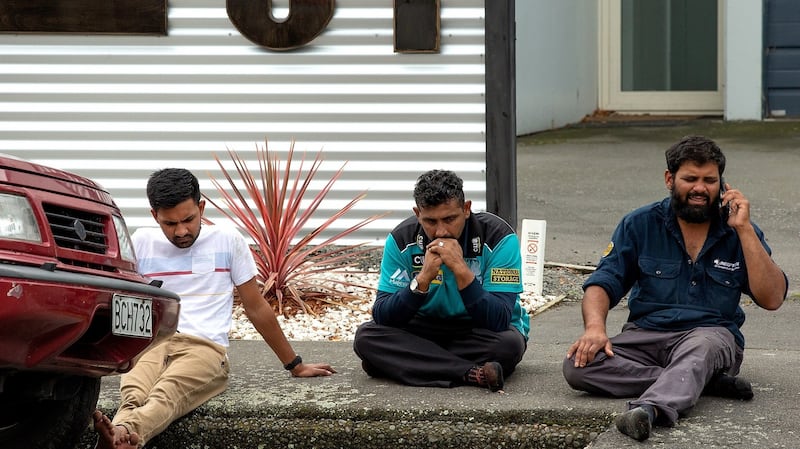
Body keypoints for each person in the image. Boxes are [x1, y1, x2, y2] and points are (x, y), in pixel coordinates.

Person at [562, 135, 788, 441]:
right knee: (578, 366)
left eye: (710, 180)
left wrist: (745, 230)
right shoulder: (639, 224)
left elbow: (772, 298)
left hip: (711, 336)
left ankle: (651, 409)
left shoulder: (739, 229)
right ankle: (701, 382)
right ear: (670, 179)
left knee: (701, 348)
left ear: (723, 185)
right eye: (690, 179)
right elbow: (603, 283)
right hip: (646, 336)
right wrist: (594, 329)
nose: (700, 188)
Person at [93, 168, 336, 449]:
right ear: (154, 216)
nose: (181, 231)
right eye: (170, 224)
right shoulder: (142, 242)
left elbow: (256, 307)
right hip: (153, 344)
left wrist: (295, 365)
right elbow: (123, 304)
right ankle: (120, 437)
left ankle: (124, 431)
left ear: (201, 207)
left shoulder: (227, 241)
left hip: (205, 348)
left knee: (167, 392)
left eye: (188, 219)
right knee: (134, 392)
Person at [352, 169, 529, 392]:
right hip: (425, 328)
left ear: (466, 209)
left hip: (477, 331)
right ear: (417, 214)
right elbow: (383, 316)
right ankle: (472, 373)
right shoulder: (401, 239)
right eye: (430, 221)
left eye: (449, 219)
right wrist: (423, 279)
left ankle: (406, 363)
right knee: (366, 338)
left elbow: (499, 319)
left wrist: (461, 270)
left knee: (508, 346)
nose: (441, 231)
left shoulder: (498, 237)